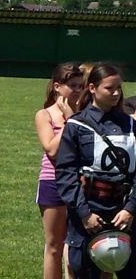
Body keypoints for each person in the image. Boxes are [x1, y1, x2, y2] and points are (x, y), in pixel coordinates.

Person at [56, 63, 136, 278]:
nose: (117, 93)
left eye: (119, 88)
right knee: (85, 272)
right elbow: (65, 174)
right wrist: (84, 214)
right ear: (92, 88)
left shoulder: (131, 125)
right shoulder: (77, 125)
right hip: (89, 214)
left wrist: (130, 208)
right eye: (109, 88)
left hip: (125, 213)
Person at [34, 63, 84, 279]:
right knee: (54, 245)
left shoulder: (84, 113)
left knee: (75, 243)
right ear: (57, 87)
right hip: (52, 182)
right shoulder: (44, 114)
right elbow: (52, 150)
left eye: (81, 86)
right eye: (73, 86)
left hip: (79, 183)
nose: (78, 91)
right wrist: (69, 121)